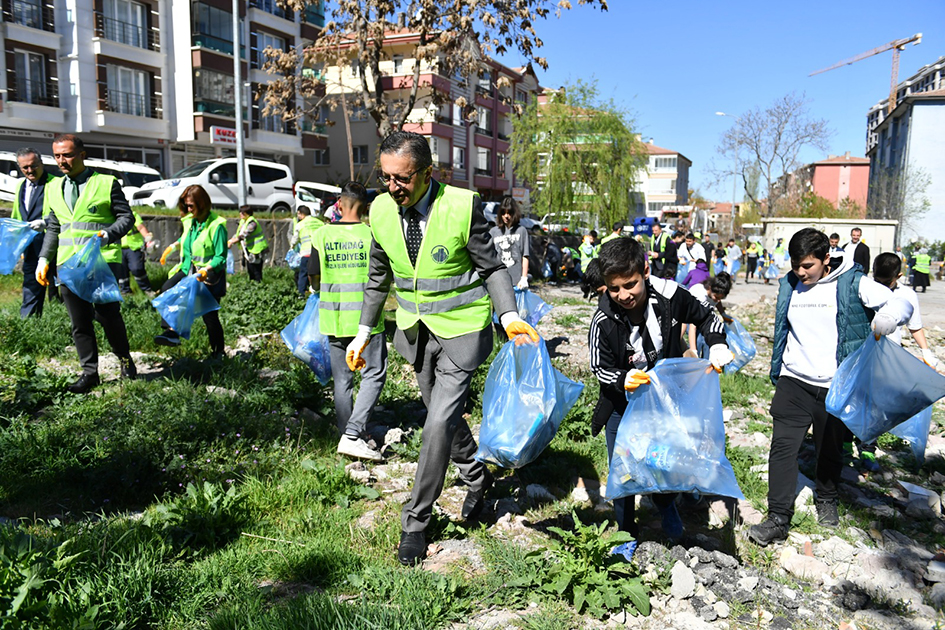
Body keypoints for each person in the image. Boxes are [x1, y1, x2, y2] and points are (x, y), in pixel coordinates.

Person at [346, 131, 539, 566]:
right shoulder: (379, 209)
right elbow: (379, 278)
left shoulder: (461, 205)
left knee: (435, 424)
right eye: (385, 177)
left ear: (427, 172)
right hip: (415, 334)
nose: (392, 187)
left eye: (403, 179)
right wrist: (362, 332)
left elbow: (492, 269)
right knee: (444, 420)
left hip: (462, 332)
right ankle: (476, 476)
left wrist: (508, 316)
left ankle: (414, 522)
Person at [748, 228, 913, 546]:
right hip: (793, 380)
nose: (800, 272)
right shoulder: (789, 285)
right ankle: (777, 518)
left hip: (835, 385)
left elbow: (903, 302)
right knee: (782, 447)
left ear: (826, 259)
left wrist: (890, 317)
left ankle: (827, 498)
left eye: (807, 265)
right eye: (795, 264)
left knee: (829, 448)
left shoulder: (852, 282)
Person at [588, 237, 733, 538]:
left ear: (645, 271)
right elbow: (598, 366)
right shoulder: (603, 318)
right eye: (614, 288)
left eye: (630, 285)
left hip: (664, 398)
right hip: (621, 403)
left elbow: (707, 317)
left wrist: (717, 345)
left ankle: (666, 504)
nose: (623, 295)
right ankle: (625, 532)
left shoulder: (669, 295)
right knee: (624, 468)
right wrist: (621, 378)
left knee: (664, 457)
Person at [35, 134, 136, 394]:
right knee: (79, 322)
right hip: (68, 265)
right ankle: (90, 373)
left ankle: (125, 361)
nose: (61, 161)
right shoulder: (53, 187)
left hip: (102, 263)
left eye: (67, 155)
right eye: (57, 156)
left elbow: (126, 219)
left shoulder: (106, 183)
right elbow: (54, 227)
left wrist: (108, 234)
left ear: (82, 154)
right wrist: (44, 259)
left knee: (107, 317)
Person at [309, 182, 387, 462]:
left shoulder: (321, 234)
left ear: (339, 204)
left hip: (335, 318)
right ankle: (353, 434)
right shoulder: (371, 234)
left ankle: (345, 431)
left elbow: (314, 275)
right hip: (367, 320)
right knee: (374, 374)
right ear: (365, 207)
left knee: (342, 380)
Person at [841, 253, 940, 472]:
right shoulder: (864, 287)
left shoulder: (907, 295)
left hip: (887, 357)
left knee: (876, 405)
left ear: (899, 276)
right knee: (852, 398)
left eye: (887, 282)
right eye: (878, 279)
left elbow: (915, 326)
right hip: (858, 353)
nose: (881, 285)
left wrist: (926, 351)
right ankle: (845, 445)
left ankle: (867, 448)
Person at [153, 185, 228, 357]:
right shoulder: (192, 223)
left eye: (191, 206)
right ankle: (172, 331)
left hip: (207, 276)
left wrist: (206, 269)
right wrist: (173, 246)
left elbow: (221, 257)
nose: (188, 209)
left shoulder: (217, 226)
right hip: (189, 271)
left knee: (209, 317)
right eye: (186, 205)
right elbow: (186, 242)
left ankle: (219, 352)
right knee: (168, 289)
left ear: (202, 204)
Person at [11, 147, 56, 318]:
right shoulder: (20, 186)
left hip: (56, 245)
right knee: (31, 286)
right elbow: (17, 214)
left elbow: (66, 213)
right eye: (25, 168)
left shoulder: (55, 183)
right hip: (32, 246)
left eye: (33, 166)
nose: (30, 171)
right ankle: (28, 325)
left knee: (65, 290)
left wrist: (46, 223)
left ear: (41, 163)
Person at [687, 271, 734, 355]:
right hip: (688, 319)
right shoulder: (700, 296)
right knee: (699, 340)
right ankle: (695, 362)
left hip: (703, 319)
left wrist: (723, 314)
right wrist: (693, 351)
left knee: (710, 340)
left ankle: (709, 363)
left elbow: (717, 302)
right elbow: (692, 327)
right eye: (716, 297)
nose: (718, 300)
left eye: (721, 298)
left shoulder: (715, 295)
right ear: (709, 288)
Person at [489, 196, 530, 290]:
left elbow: (525, 255)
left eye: (509, 213)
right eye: (503, 213)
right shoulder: (493, 232)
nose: (506, 216)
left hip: (516, 282)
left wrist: (524, 278)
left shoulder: (521, 231)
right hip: (499, 281)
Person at [117, 210, 155, 295]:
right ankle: (125, 291)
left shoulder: (132, 214)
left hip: (134, 247)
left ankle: (147, 289)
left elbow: (140, 227)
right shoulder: (112, 215)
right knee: (121, 271)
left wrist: (147, 238)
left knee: (137, 268)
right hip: (118, 247)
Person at [228, 206, 268, 282]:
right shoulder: (243, 222)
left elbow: (244, 235)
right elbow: (238, 234)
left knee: (256, 272)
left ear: (247, 214)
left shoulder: (252, 223)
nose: (240, 214)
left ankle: (258, 289)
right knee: (250, 271)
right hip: (250, 250)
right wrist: (230, 241)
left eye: (242, 213)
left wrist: (232, 242)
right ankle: (253, 288)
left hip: (257, 250)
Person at [290, 206, 320, 295]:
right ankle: (318, 292)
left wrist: (292, 247)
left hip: (306, 253)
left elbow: (294, 239)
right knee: (319, 273)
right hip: (319, 252)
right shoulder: (320, 223)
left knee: (303, 274)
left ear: (301, 213)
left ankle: (301, 294)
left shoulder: (300, 224)